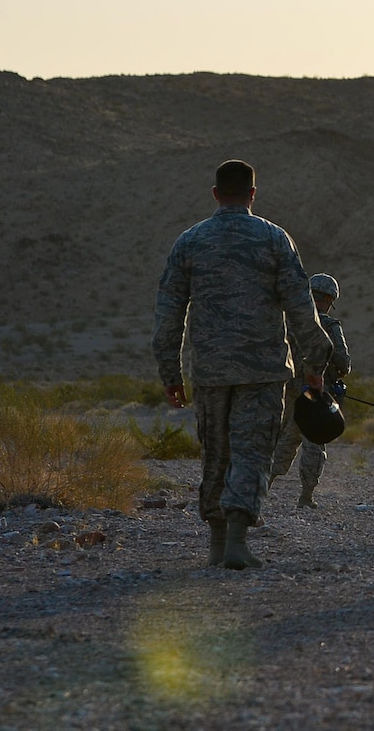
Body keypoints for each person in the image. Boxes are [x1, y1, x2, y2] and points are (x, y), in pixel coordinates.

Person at [153, 159, 333, 570]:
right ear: (253, 194)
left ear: (216, 193)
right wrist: (314, 363)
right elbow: (302, 307)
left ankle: (218, 545)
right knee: (252, 453)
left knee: (216, 452)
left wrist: (170, 372)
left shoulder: (190, 242)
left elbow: (168, 313)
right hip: (264, 368)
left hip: (212, 371)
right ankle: (236, 540)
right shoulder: (274, 239)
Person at [270, 273, 353, 508]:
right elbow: (343, 361)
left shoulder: (288, 322)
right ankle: (306, 496)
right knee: (313, 443)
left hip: (286, 390)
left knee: (284, 439)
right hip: (315, 392)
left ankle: (259, 489)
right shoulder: (328, 325)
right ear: (328, 298)